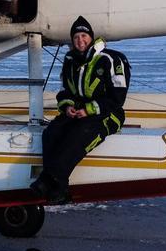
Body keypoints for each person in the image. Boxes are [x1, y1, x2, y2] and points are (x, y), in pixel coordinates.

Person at [30, 15, 130, 204]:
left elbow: (118, 99)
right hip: (78, 112)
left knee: (77, 136)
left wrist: (89, 110)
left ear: (91, 37)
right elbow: (65, 91)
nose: (80, 40)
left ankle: (48, 181)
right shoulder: (71, 60)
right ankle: (59, 187)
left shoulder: (112, 60)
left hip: (108, 114)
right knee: (51, 133)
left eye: (84, 36)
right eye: (76, 37)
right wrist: (68, 107)